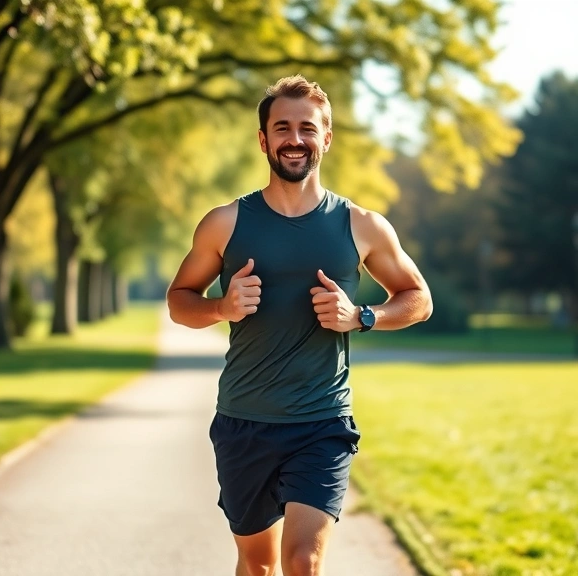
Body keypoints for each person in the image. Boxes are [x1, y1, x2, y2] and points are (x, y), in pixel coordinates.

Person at [166, 74, 433, 576]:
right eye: (282, 127)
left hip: (321, 422)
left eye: (307, 128)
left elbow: (419, 298)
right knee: (259, 565)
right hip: (245, 421)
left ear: (325, 138)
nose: (295, 139)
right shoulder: (225, 223)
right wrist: (222, 307)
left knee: (302, 562)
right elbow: (180, 301)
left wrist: (362, 317)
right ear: (263, 139)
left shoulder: (361, 225)